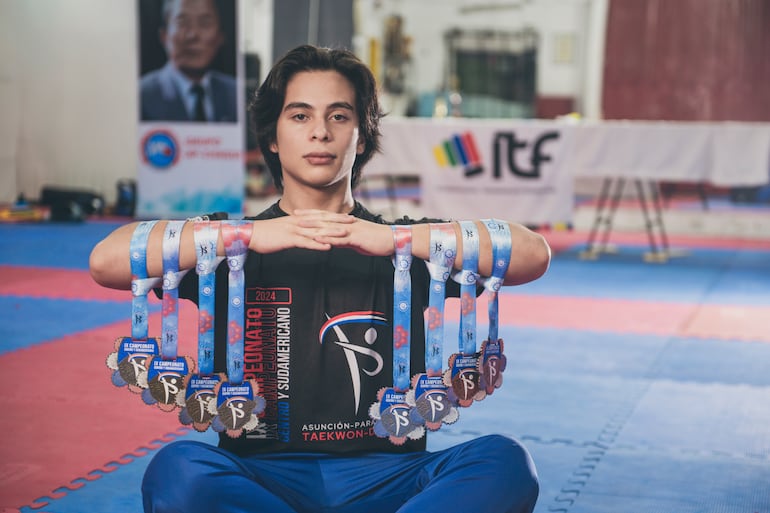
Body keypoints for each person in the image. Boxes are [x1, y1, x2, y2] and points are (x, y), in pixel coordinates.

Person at [91, 44, 550, 513]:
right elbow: (105, 260)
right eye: (299, 116)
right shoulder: (228, 248)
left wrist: (395, 240)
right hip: (262, 481)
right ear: (272, 136)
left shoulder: (407, 246)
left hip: (390, 478)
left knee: (505, 461)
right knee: (178, 470)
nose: (319, 133)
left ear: (362, 136)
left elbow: (533, 254)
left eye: (338, 116)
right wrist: (246, 235)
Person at [140, 0, 238, 122]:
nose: (193, 35)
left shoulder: (235, 93)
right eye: (182, 23)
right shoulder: (142, 94)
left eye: (205, 23)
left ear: (220, 37)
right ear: (164, 35)